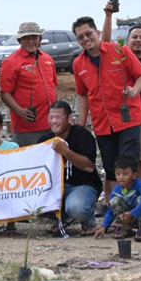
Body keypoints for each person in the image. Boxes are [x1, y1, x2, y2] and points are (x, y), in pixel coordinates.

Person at [72, 15, 141, 217]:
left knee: (128, 165)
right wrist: (82, 120)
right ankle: (116, 210)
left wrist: (134, 91)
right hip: (102, 123)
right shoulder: (78, 63)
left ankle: (132, 212)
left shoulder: (120, 51)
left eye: (88, 34)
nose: (86, 39)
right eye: (80, 37)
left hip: (128, 119)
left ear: (97, 33)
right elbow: (82, 94)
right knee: (111, 167)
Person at [101, 2, 141, 188]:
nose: (138, 40)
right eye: (134, 37)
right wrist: (108, 16)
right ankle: (115, 198)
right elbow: (105, 42)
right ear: (127, 40)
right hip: (123, 120)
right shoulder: (118, 60)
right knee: (117, 164)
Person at [38, 101, 103, 236]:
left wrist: (66, 152)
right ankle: (63, 218)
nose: (54, 121)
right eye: (51, 117)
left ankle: (88, 221)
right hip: (56, 188)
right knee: (34, 201)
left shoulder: (82, 135)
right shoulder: (45, 140)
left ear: (69, 119)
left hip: (83, 185)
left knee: (77, 208)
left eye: (58, 117)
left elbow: (89, 167)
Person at [0, 22, 58, 146]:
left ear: (40, 39)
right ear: (19, 40)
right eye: (26, 38)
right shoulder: (11, 62)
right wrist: (19, 111)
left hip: (51, 124)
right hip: (26, 127)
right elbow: (5, 93)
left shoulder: (47, 59)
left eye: (34, 37)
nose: (31, 41)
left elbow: (53, 86)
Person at [94, 155, 141, 242]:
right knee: (114, 201)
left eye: (125, 174)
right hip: (126, 218)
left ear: (134, 175)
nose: (121, 177)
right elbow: (110, 210)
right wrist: (104, 226)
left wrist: (132, 214)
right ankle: (126, 228)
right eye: (118, 174)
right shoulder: (116, 190)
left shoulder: (139, 184)